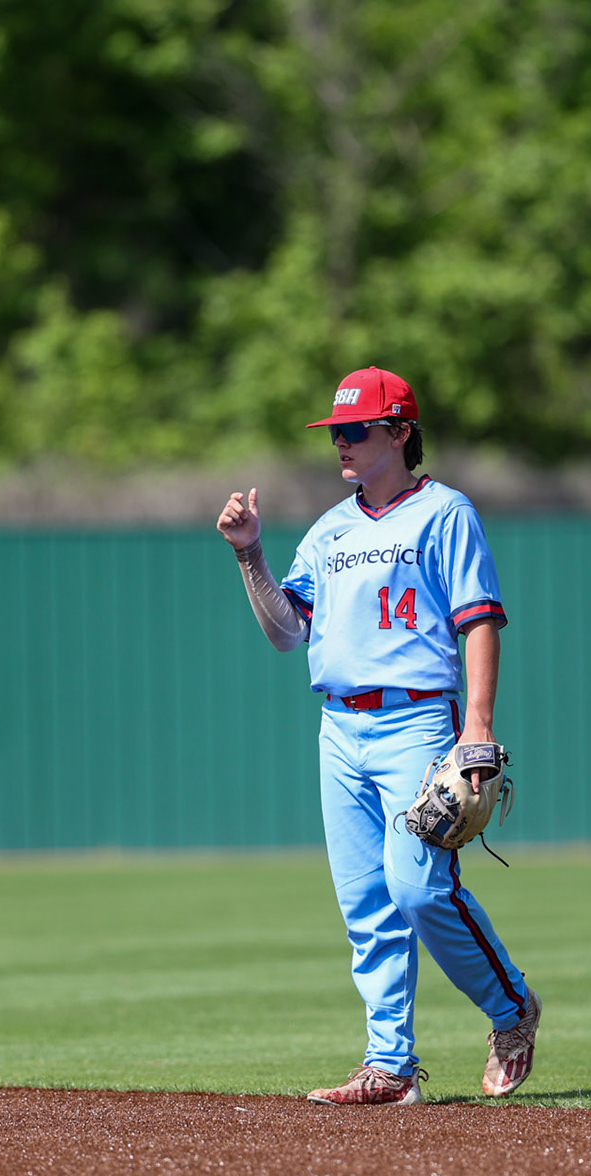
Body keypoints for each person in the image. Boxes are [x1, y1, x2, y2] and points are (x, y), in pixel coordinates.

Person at [215, 365, 540, 1105]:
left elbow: (479, 619)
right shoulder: (328, 529)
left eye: (356, 430)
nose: (342, 443)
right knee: (366, 902)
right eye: (336, 432)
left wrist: (478, 731)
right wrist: (249, 554)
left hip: (418, 720)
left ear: (399, 432)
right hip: (340, 727)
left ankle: (511, 1007)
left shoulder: (445, 513)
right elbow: (285, 633)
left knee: (419, 889)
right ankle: (389, 1066)